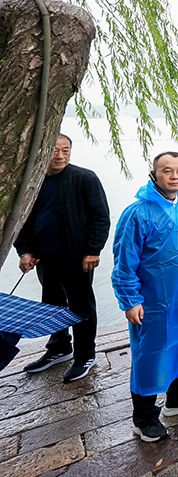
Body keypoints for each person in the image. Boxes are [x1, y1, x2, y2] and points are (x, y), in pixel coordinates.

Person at [112, 152, 178, 442]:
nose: (175, 176)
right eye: (167, 171)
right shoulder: (138, 213)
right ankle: (144, 418)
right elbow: (124, 262)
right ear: (153, 173)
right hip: (155, 300)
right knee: (152, 355)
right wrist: (130, 300)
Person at [16, 134, 110, 383]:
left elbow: (100, 217)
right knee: (52, 304)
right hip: (44, 256)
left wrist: (93, 250)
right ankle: (59, 348)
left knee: (81, 306)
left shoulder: (84, 178)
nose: (60, 155)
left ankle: (85, 355)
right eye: (55, 150)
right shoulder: (32, 180)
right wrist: (24, 250)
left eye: (65, 150)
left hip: (77, 256)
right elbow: (20, 218)